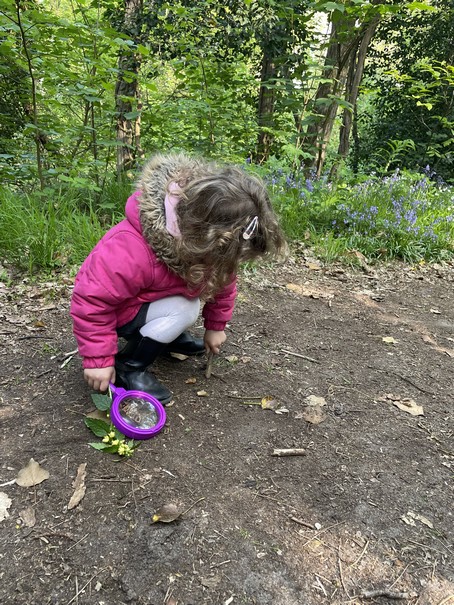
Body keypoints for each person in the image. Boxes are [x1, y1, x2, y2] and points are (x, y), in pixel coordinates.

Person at [70, 153, 287, 404]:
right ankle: (129, 365)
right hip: (120, 312)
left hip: (151, 299)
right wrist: (98, 360)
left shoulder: (205, 242)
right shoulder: (130, 249)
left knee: (184, 307)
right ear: (207, 238)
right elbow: (92, 300)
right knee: (185, 309)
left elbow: (225, 279)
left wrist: (216, 326)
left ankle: (164, 339)